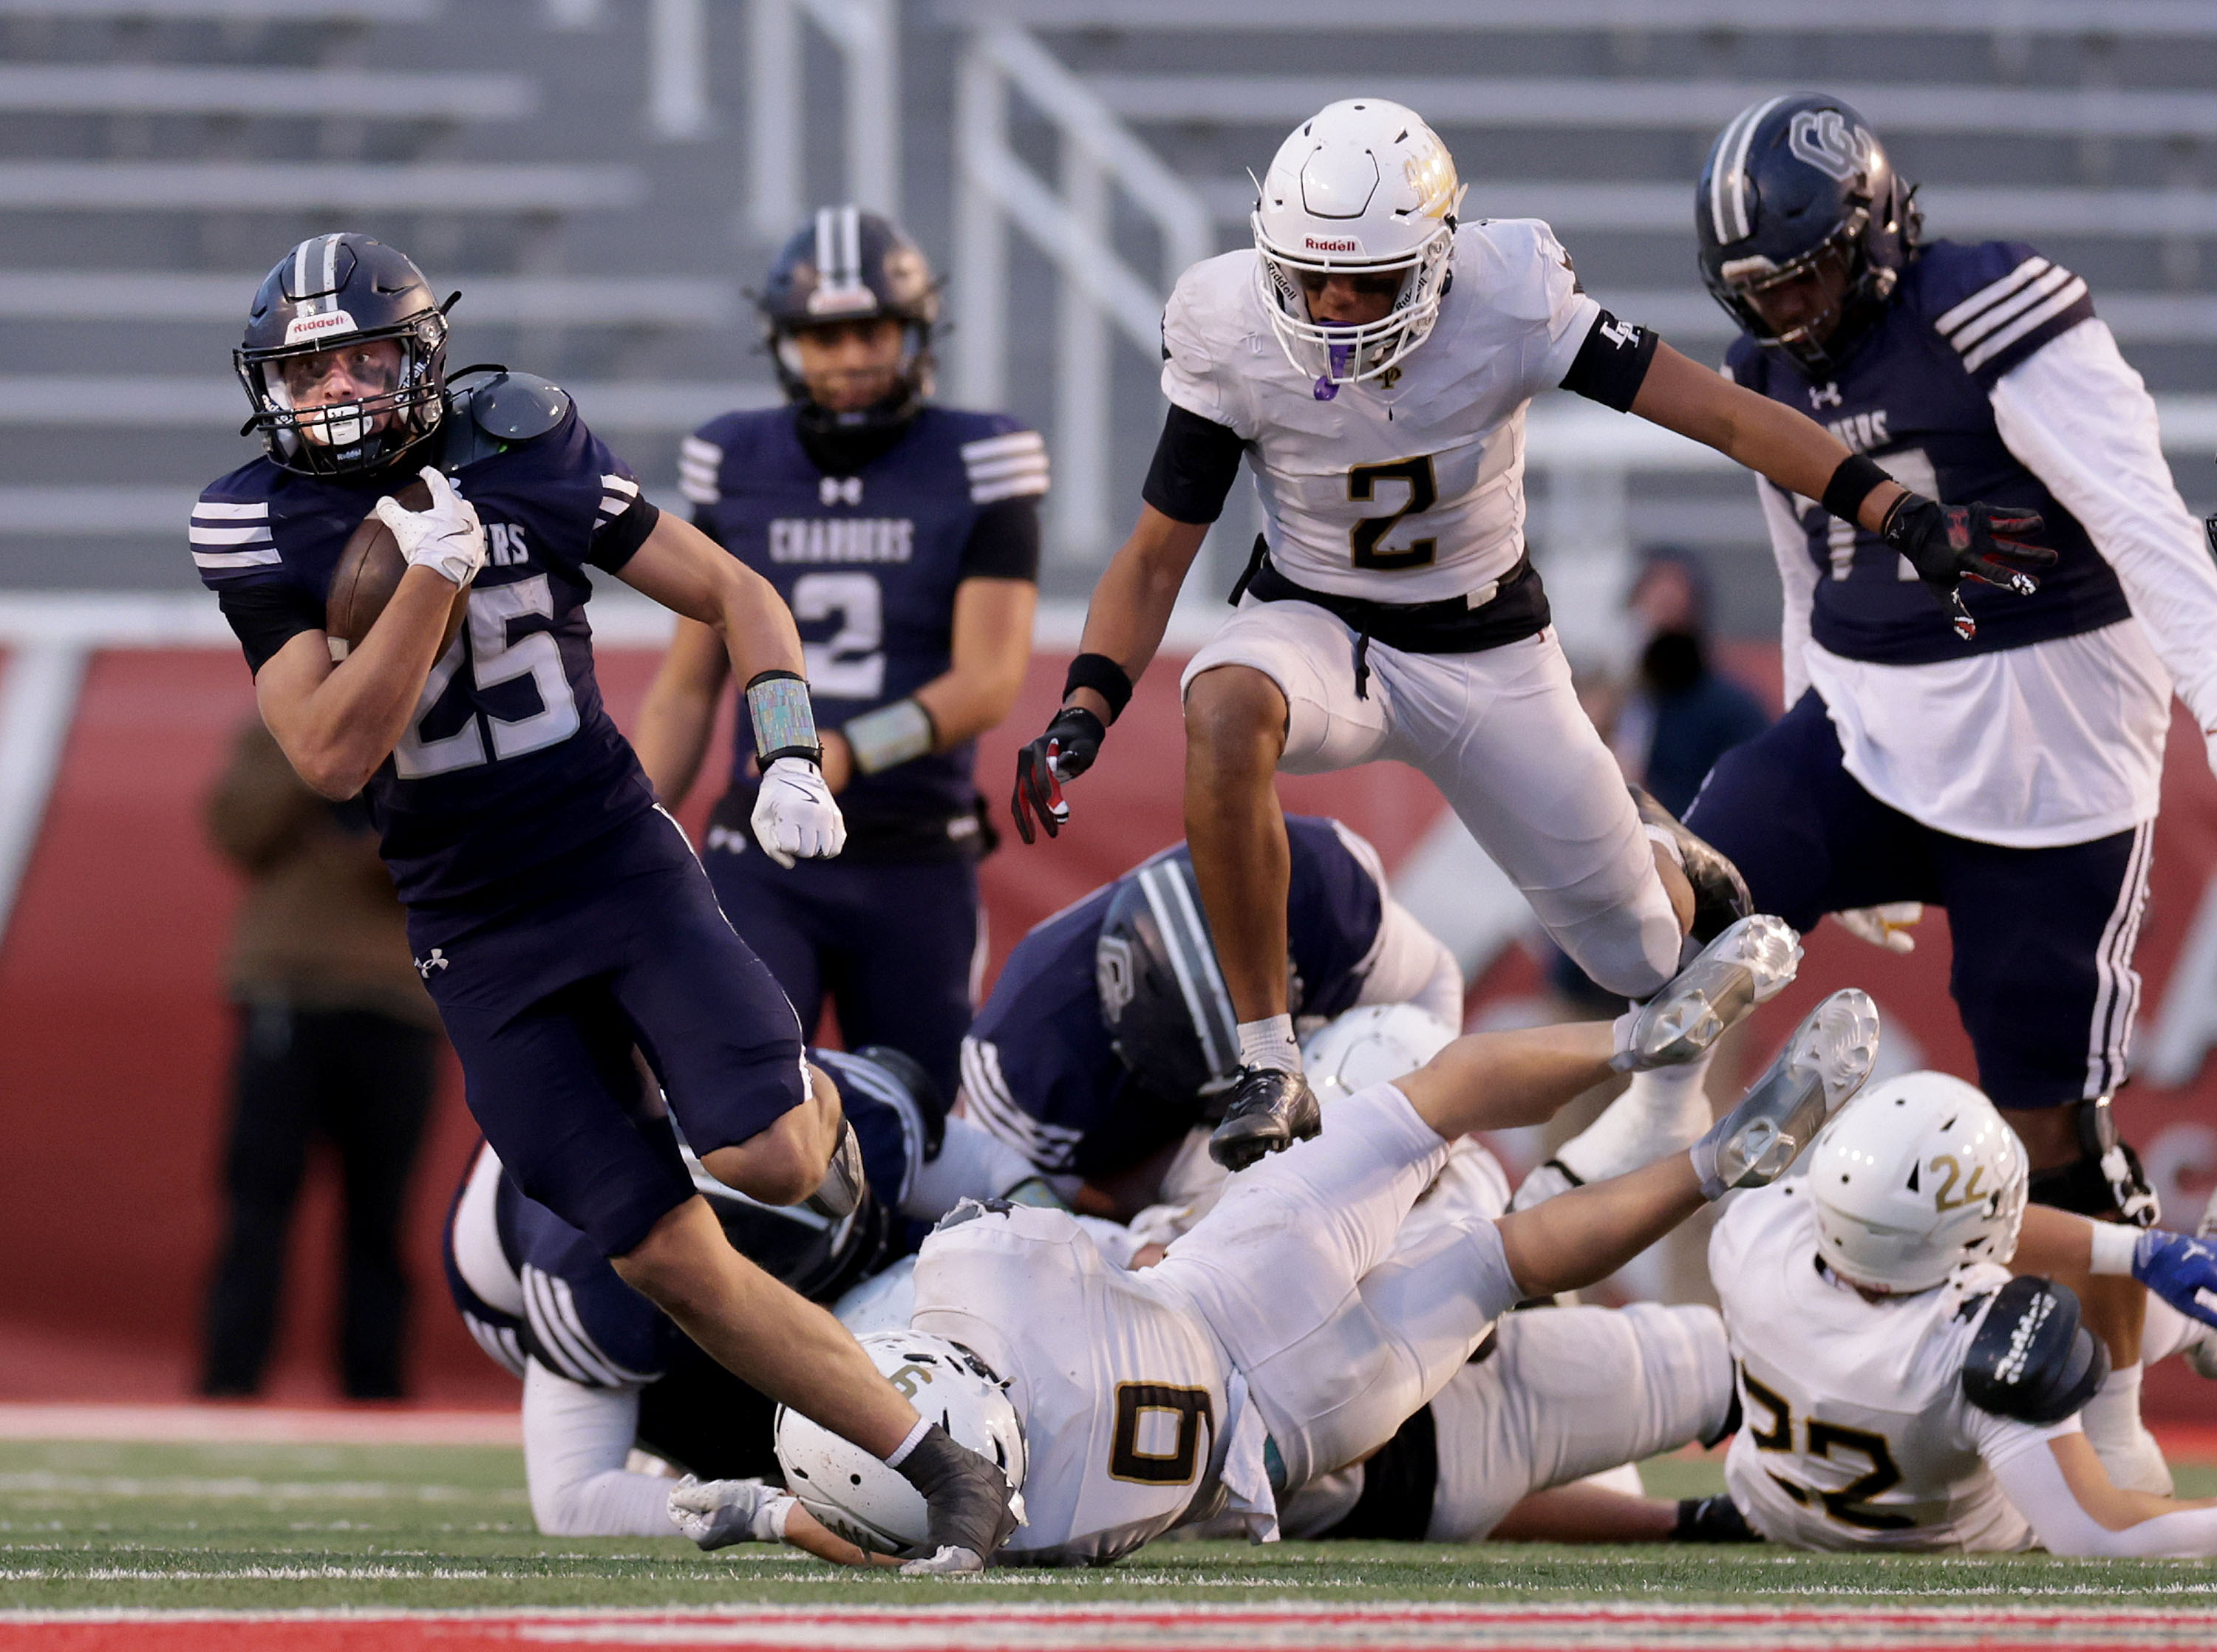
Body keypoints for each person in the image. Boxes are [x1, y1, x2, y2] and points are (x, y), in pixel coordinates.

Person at [1007, 97, 2051, 1174]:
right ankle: (1269, 1059)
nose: (1328, 305)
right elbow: (1155, 550)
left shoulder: (1508, 294)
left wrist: (1896, 512)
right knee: (1222, 705)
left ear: (1436, 259)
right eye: (1307, 275)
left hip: (1486, 652)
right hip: (1316, 629)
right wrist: (1088, 698)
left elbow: (1719, 415)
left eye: (1362, 280)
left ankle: (1661, 845)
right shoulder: (1229, 321)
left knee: (1653, 957)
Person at [191, 231, 1015, 1571]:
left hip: (612, 863)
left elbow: (738, 591)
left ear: (425, 359)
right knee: (658, 1255)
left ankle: (844, 1112)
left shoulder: (526, 445)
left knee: (774, 1159)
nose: (338, 385)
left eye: (365, 355)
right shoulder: (249, 517)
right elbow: (334, 752)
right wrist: (432, 582)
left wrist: (792, 747)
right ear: (267, 382)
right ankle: (942, 1466)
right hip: (475, 935)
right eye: (308, 364)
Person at [1680, 93, 2217, 1492]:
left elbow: (2146, 524)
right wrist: (1821, 750)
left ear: (1874, 231)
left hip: (2051, 753)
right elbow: (1810, 577)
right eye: (1762, 288)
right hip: (1869, 726)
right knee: (1682, 911)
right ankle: (1617, 1226)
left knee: (2056, 1127)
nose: (1792, 309)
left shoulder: (1990, 307)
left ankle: (2112, 1427)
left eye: (1804, 272)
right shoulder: (1761, 365)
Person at [760, 940, 1885, 1566]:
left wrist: (774, 1516)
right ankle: (1638, 1039)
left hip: (1310, 1426)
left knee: (1515, 1259)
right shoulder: (973, 1283)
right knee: (1433, 1101)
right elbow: (1088, 1252)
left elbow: (893, 1531)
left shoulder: (1028, 1532)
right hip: (1233, 1284)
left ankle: (1708, 1167)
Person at [636, 206, 1042, 1098]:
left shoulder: (980, 456)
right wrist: (629, 827)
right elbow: (686, 687)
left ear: (914, 333)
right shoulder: (734, 458)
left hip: (915, 849)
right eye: (826, 337)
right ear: (787, 344)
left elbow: (988, 681)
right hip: (765, 851)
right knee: (747, 1097)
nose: (852, 358)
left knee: (920, 1112)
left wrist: (845, 752)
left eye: (872, 332)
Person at [440, 1045, 1046, 1542]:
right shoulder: (601, 1271)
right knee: (803, 1450)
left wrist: (1107, 1250)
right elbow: (572, 1500)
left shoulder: (854, 1112)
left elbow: (1004, 1182)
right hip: (557, 1288)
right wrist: (774, 1513)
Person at [1709, 1071, 2217, 1554]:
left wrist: (2135, 1251)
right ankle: (2202, 1322)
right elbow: (2097, 1535)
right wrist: (2137, 1254)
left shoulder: (1755, 1230)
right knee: (2082, 1323)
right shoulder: (1971, 1345)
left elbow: (1893, 1223)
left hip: (1775, 1503)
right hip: (1947, 1535)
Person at [957, 816, 1462, 1212]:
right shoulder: (1029, 1063)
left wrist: (1430, 1131)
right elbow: (1027, 1211)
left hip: (1310, 1048)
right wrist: (1142, 1245)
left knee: (1396, 1058)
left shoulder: (1322, 892)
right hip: (1157, 1164)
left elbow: (1430, 992)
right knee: (1245, 1192)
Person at [199, 717, 442, 1399]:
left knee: (381, 1215)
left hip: (394, 1003)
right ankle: (229, 1384)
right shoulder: (278, 723)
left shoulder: (425, 729)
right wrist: (318, 754)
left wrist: (372, 788)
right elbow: (234, 830)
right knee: (257, 1206)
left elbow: (444, 857)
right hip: (289, 993)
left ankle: (375, 1393)